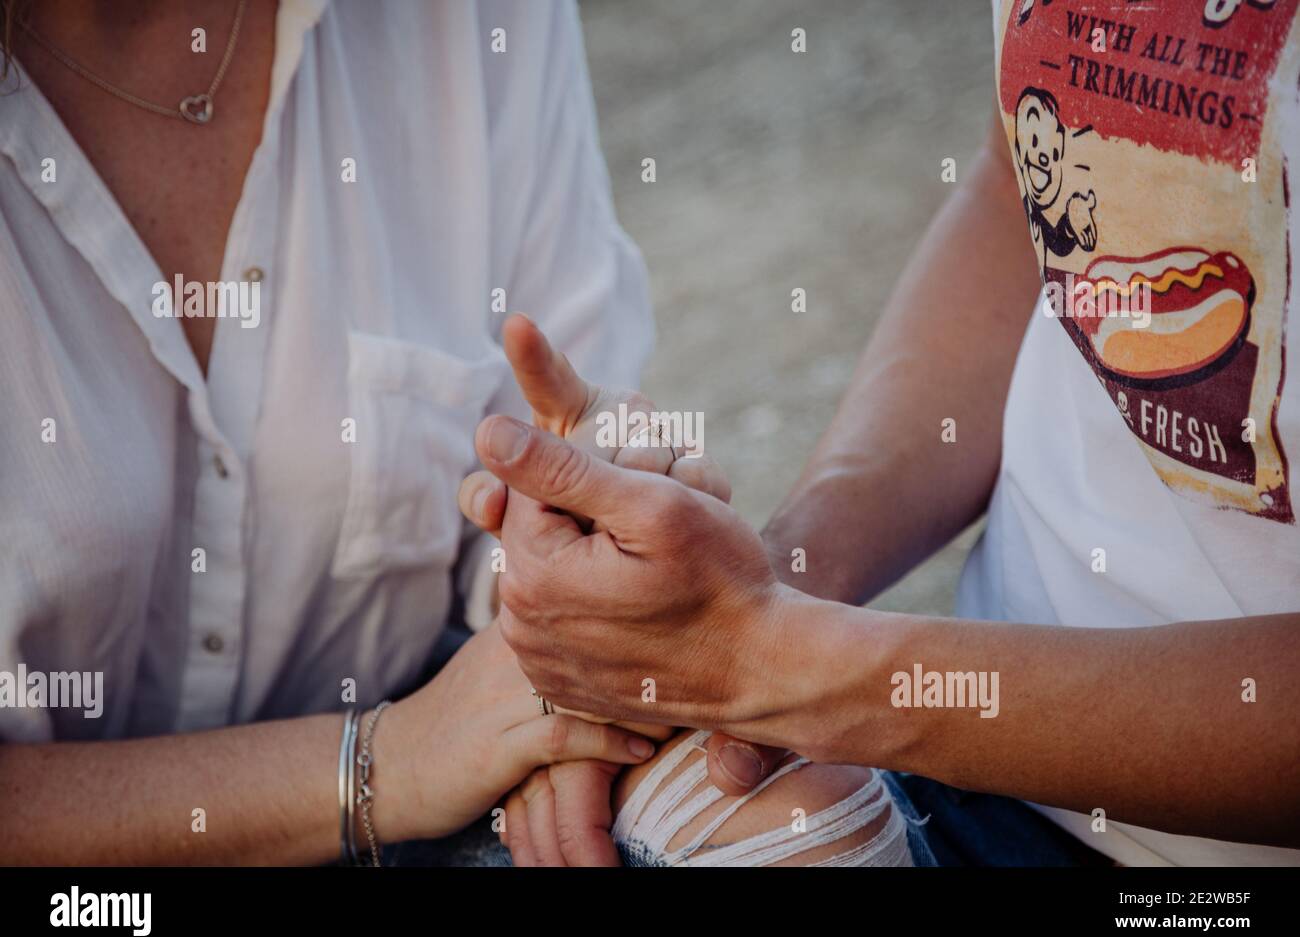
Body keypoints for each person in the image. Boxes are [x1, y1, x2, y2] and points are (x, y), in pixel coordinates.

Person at [0, 0, 919, 868]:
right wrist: (382, 766)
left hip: (443, 724)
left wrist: (573, 589)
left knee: (804, 818)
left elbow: (566, 411)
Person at [464, 0, 1300, 866]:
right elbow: (1019, 191)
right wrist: (759, 591)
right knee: (695, 796)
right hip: (983, 764)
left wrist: (800, 672)